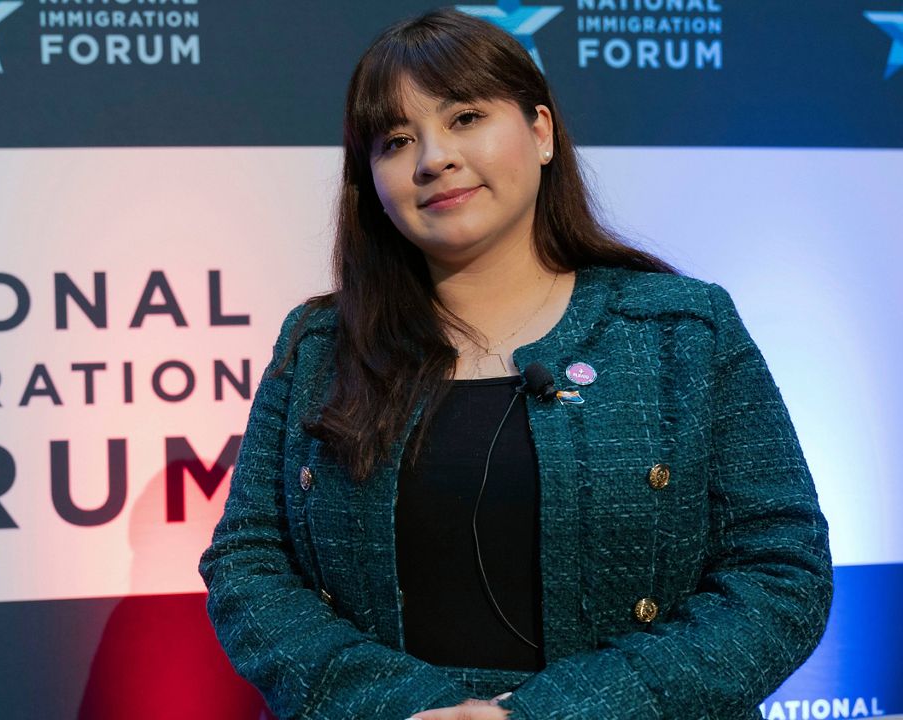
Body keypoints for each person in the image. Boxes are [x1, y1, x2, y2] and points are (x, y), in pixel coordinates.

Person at [199, 9, 832, 720]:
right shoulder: (320, 343)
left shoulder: (681, 329)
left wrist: (553, 713)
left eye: (465, 118)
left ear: (540, 131)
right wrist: (400, 706)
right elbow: (247, 563)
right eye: (396, 140)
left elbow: (780, 574)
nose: (432, 158)